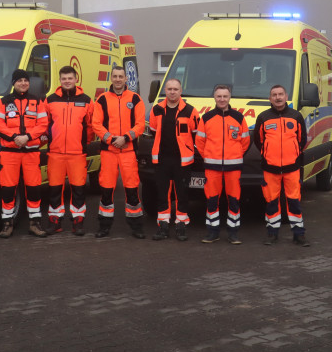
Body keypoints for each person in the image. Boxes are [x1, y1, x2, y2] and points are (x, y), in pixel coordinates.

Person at [0, 69, 49, 238]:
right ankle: (7, 223)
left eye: (25, 80)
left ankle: (35, 223)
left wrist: (28, 137)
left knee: (34, 188)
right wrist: (15, 137)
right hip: (10, 152)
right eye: (19, 80)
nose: (23, 83)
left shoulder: (36, 101)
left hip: (31, 152)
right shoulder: (4, 102)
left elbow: (43, 123)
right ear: (13, 83)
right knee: (8, 188)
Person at [91, 66, 146, 238]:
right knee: (106, 189)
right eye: (115, 76)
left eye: (121, 76)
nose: (118, 79)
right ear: (111, 78)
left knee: (132, 189)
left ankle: (136, 227)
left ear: (125, 79)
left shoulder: (135, 99)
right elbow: (96, 124)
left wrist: (126, 138)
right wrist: (111, 139)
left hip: (128, 151)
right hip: (109, 151)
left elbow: (140, 125)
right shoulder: (102, 99)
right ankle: (104, 226)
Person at [253, 84, 309, 246]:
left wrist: (293, 154)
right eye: (274, 95)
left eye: (280, 94)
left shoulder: (296, 116)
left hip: (292, 168)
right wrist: (268, 154)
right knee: (271, 201)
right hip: (270, 168)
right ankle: (272, 233)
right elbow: (258, 140)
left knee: (294, 201)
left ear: (286, 97)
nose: (278, 97)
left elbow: (302, 139)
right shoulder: (263, 117)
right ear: (270, 98)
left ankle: (299, 234)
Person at [195, 84, 250, 244]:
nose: (222, 99)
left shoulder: (239, 117)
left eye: (225, 96)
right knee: (212, 200)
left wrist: (236, 154)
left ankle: (233, 233)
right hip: (212, 167)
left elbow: (245, 141)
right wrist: (208, 156)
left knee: (234, 200)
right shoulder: (206, 118)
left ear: (230, 97)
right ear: (214, 97)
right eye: (219, 96)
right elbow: (200, 141)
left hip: (234, 167)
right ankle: (213, 232)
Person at [148, 78, 200, 241]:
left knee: (182, 193)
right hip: (162, 159)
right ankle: (163, 225)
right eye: (169, 89)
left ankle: (181, 225)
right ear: (165, 90)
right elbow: (153, 131)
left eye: (175, 89)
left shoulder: (190, 111)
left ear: (180, 91)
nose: (172, 92)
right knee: (162, 193)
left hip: (182, 160)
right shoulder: (156, 109)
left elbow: (196, 134)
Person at [45, 66, 92, 236]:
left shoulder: (86, 100)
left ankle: (78, 222)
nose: (67, 81)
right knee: (54, 189)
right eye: (64, 78)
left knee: (78, 189)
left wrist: (82, 144)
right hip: (55, 153)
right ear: (60, 80)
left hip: (77, 154)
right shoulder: (50, 100)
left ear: (76, 79)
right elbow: (44, 124)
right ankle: (55, 222)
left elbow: (90, 126)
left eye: (70, 78)